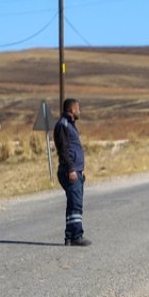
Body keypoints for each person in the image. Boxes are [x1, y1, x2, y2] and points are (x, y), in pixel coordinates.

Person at [54, 98, 91, 246]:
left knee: (73, 204)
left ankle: (69, 236)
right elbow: (63, 150)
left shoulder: (70, 125)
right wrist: (71, 169)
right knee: (76, 205)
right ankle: (76, 236)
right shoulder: (63, 125)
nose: (79, 111)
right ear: (71, 110)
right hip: (70, 171)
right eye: (78, 109)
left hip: (76, 171)